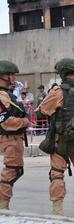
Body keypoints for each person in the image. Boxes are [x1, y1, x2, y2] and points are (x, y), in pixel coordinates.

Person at [39, 58, 74, 218]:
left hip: (61, 140)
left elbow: (43, 110)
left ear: (62, 73)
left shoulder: (57, 92)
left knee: (57, 173)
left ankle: (58, 212)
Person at [0, 61, 29, 209]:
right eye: (10, 74)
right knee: (11, 171)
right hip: (8, 138)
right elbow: (5, 121)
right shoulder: (1, 95)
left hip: (14, 138)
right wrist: (25, 122)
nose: (13, 77)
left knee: (15, 171)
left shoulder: (8, 95)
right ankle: (3, 207)